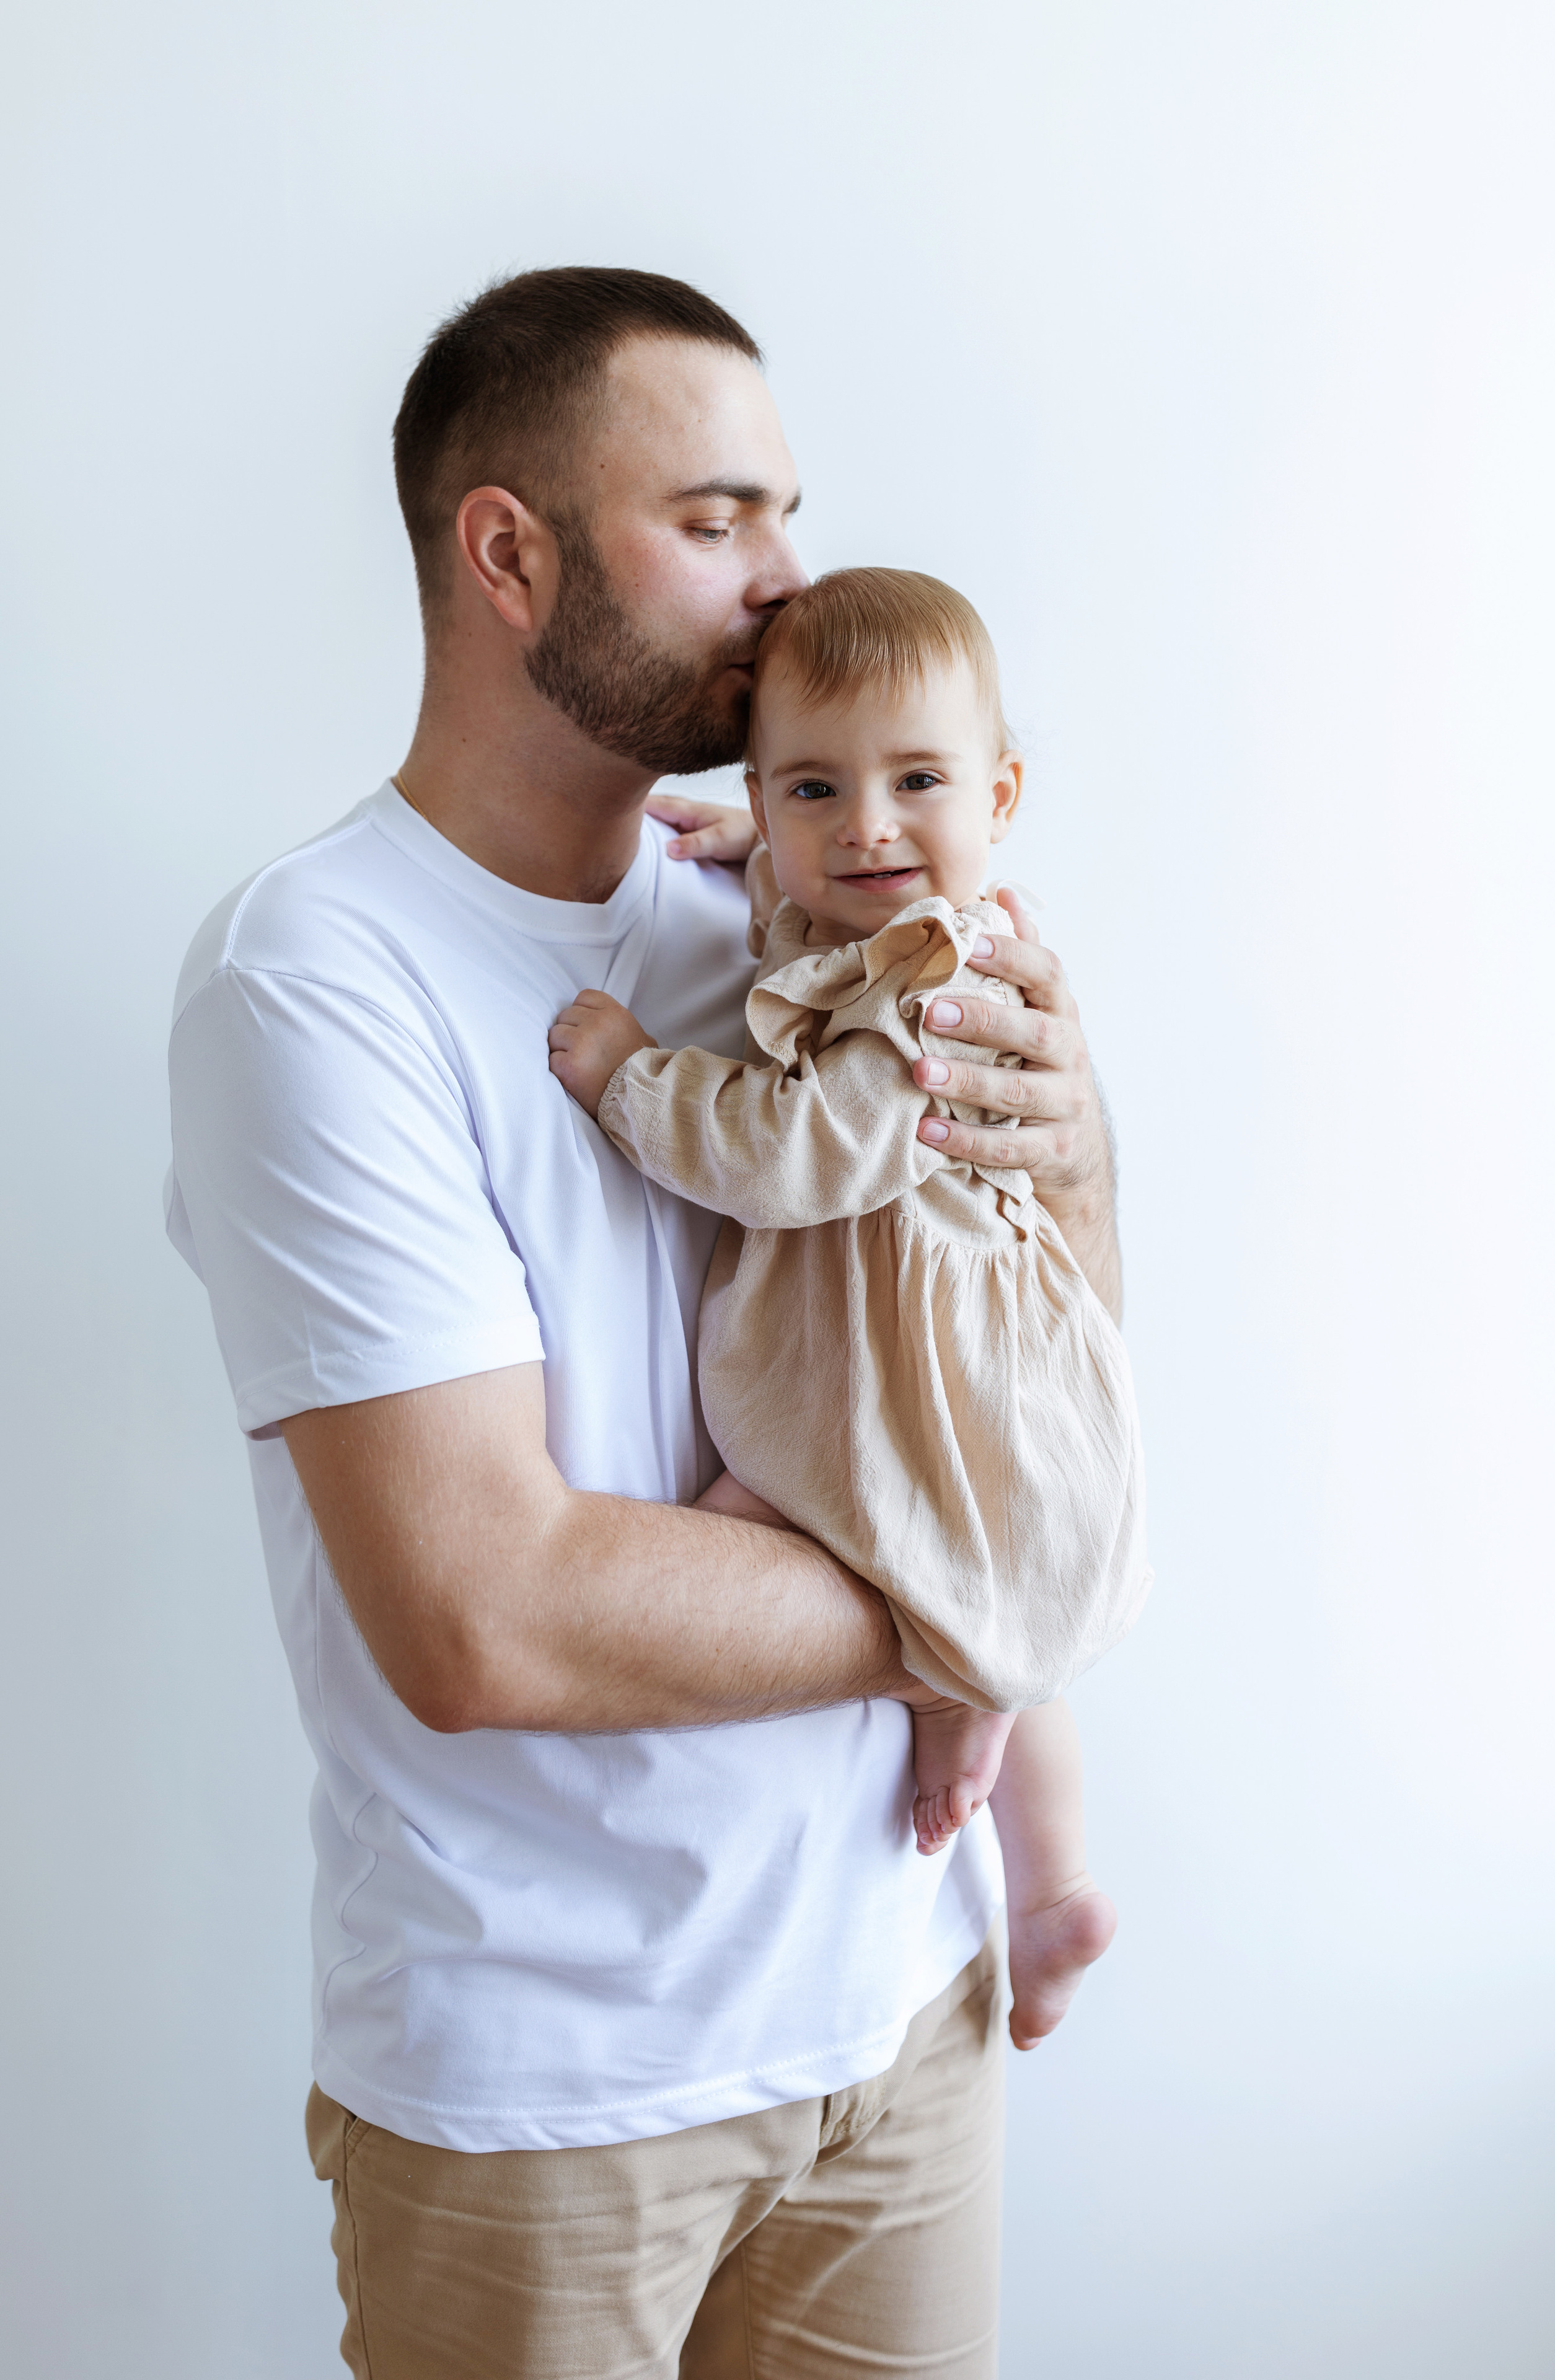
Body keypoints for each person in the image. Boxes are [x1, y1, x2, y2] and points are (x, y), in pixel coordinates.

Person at [165, 267, 1128, 2379]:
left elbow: (1028, 1344)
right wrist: (988, 1610)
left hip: (904, 2015)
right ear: (510, 553)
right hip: (550, 2104)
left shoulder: (793, 913)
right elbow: (486, 1616)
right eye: (717, 522)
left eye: (788, 512)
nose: (789, 592)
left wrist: (1078, 1149)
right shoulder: (318, 982)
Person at [549, 565, 1150, 2055]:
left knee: (889, 1559)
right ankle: (1043, 1865)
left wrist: (632, 1075)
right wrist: (775, 846)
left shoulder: (934, 983)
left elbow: (794, 1150)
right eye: (816, 786)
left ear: (998, 792)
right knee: (940, 1577)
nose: (868, 826)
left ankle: (1053, 1867)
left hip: (917, 1357)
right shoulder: (861, 907)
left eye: (917, 782)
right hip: (869, 1344)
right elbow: (826, 909)